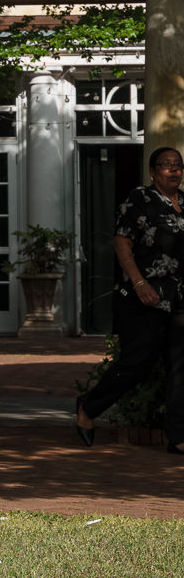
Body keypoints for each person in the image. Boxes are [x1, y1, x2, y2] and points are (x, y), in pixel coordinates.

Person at [76, 146, 184, 454]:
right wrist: (139, 283)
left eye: (178, 165)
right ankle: (88, 407)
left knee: (180, 368)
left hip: (179, 299)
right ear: (153, 171)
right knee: (137, 363)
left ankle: (177, 437)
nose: (173, 170)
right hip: (143, 297)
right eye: (166, 165)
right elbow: (122, 243)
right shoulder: (139, 200)